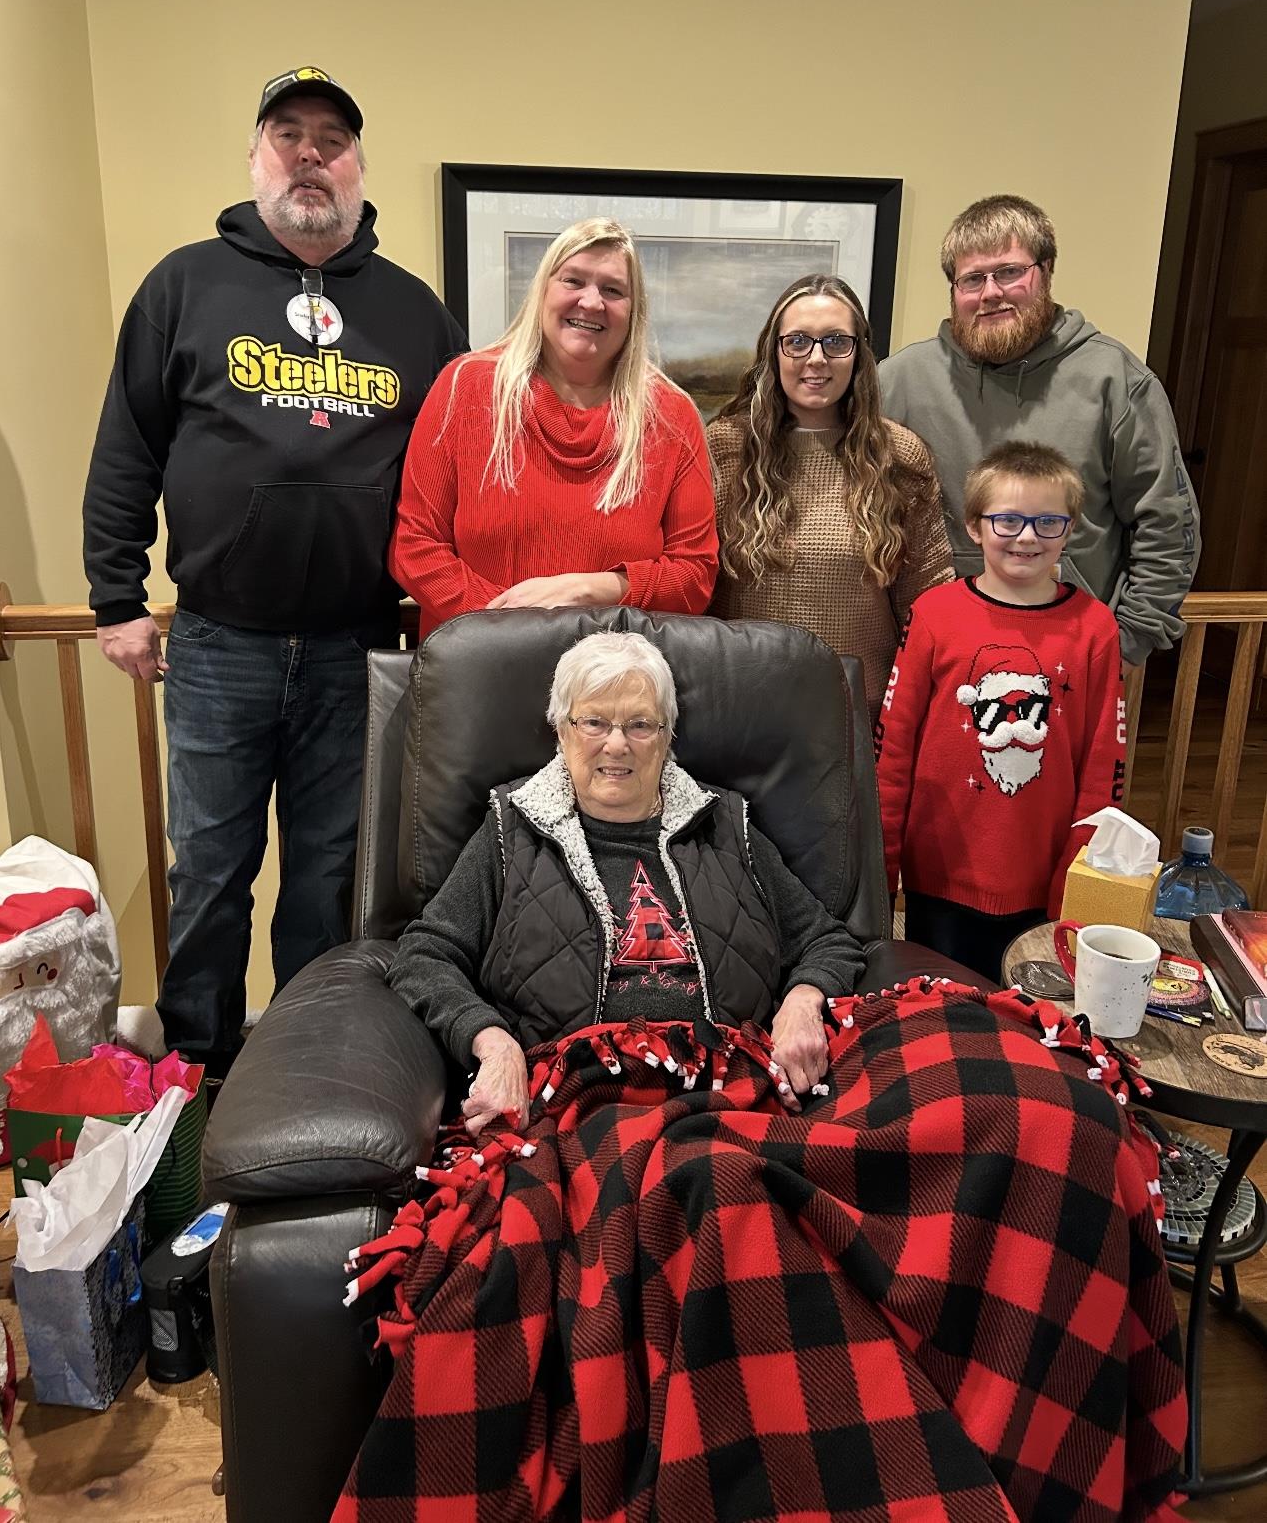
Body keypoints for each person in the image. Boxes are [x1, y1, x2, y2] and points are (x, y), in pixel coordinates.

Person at [333, 631, 1183, 1522]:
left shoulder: (727, 824)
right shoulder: (509, 833)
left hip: (750, 1070)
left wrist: (804, 1001)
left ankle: (1041, 1440)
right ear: (559, 730)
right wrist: (492, 1042)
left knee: (1042, 1110)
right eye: (595, 723)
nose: (617, 745)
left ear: (669, 736)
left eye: (641, 726)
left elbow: (826, 936)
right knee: (715, 1186)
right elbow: (424, 952)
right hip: (599, 1092)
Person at [82, 66, 466, 1077]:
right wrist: (116, 596)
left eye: (330, 140)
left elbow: (460, 465)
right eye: (288, 134)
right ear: (256, 157)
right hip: (218, 642)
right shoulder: (184, 284)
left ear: (357, 168)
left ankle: (308, 1065)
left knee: (329, 877)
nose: (310, 154)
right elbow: (128, 445)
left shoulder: (415, 312)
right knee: (209, 871)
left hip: (357, 646)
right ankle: (200, 1069)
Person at [879, 194, 1199, 668]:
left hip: (1072, 656)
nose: (990, 292)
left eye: (1009, 272)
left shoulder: (1118, 382)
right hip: (932, 656)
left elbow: (1167, 525)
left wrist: (1126, 644)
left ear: (1045, 272)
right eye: (971, 279)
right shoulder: (897, 382)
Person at [389, 218, 718, 638]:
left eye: (613, 290)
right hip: (477, 669)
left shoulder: (672, 416)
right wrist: (516, 627)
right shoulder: (465, 388)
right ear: (543, 290)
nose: (592, 302)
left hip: (615, 684)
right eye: (573, 280)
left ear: (634, 311)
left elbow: (695, 576)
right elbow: (415, 547)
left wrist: (592, 590)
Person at [876, 441, 1125, 979]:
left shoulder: (1095, 629)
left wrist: (1074, 880)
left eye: (1047, 522)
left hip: (1042, 879)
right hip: (938, 874)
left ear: (1071, 528)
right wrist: (883, 869)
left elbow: (1104, 769)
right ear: (974, 525)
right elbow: (894, 751)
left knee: (1029, 1030)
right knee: (942, 1015)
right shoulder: (935, 614)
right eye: (1007, 520)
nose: (1027, 537)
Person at [708, 274, 952, 718]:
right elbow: (697, 589)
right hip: (743, 704)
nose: (816, 359)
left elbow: (928, 602)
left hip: (859, 710)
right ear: (774, 350)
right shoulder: (726, 449)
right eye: (798, 341)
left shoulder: (899, 455)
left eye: (836, 342)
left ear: (858, 354)